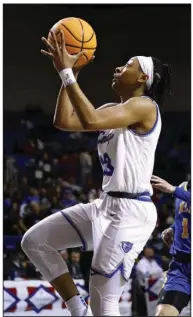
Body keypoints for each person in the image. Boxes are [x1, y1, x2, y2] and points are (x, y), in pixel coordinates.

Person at [21, 29, 172, 316]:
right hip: (105, 204)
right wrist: (71, 75)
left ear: (143, 79)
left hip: (131, 210)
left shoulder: (144, 106)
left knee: (105, 302)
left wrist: (66, 72)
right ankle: (78, 309)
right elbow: (64, 121)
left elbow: (89, 118)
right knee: (35, 242)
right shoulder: (111, 110)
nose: (118, 67)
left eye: (128, 65)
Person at [151, 175, 191, 316]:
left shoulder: (178, 190)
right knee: (163, 314)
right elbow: (184, 215)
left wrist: (173, 190)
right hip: (181, 267)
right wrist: (174, 228)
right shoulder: (183, 187)